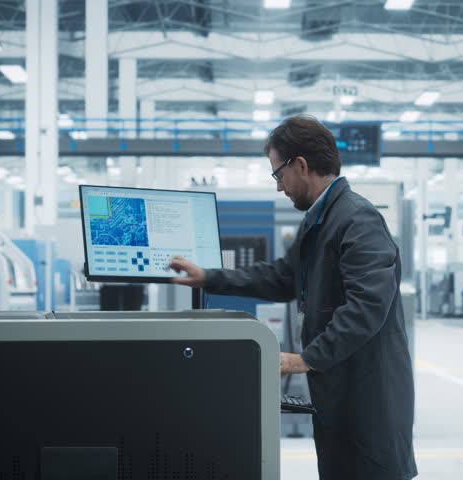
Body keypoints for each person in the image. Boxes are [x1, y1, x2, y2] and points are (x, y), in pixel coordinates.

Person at [169, 115, 417, 480]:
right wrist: (209, 277)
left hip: (368, 400)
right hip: (340, 392)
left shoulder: (357, 220)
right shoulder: (321, 221)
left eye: (278, 174)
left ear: (301, 165)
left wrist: (304, 360)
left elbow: (367, 308)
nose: (279, 187)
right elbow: (283, 278)